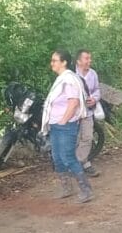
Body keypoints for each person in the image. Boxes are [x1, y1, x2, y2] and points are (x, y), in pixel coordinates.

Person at [42, 49, 93, 203]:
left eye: (55, 60)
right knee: (57, 158)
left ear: (64, 62)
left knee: (68, 157)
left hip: (65, 125)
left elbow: (73, 102)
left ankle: (86, 190)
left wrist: (64, 120)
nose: (52, 63)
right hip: (56, 125)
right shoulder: (62, 79)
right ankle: (66, 188)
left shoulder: (69, 80)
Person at [75, 49, 102, 177]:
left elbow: (97, 90)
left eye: (90, 58)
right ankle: (83, 165)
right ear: (78, 61)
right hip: (73, 114)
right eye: (86, 58)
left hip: (88, 113)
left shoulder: (93, 74)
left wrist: (94, 99)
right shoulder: (71, 75)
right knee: (75, 140)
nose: (89, 61)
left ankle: (78, 163)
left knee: (87, 138)